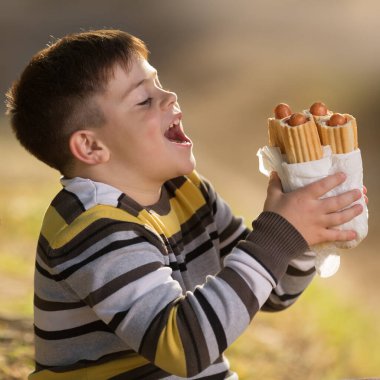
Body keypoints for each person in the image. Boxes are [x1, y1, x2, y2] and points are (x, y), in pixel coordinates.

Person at [5, 29, 363, 380]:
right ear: (91, 148)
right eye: (144, 100)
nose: (169, 96)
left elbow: (274, 292)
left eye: (158, 83)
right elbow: (185, 348)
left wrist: (305, 232)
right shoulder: (93, 229)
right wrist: (279, 232)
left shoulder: (185, 191)